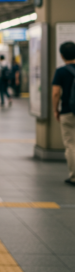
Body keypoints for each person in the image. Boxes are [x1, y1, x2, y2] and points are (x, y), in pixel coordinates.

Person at [52, 42, 75, 186]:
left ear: (61, 55)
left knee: (71, 145)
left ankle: (74, 176)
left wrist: (56, 110)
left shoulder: (60, 72)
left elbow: (55, 93)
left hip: (68, 111)